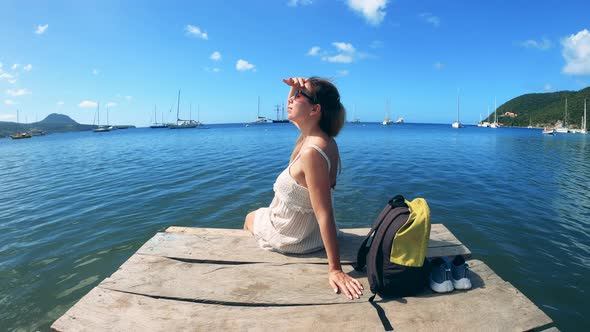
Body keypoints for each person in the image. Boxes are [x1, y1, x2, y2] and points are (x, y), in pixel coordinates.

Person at [244, 76, 363, 300]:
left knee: (250, 217)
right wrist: (295, 90)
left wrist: (335, 269)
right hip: (309, 231)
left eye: (299, 96)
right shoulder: (320, 139)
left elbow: (324, 213)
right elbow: (295, 116)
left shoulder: (311, 152)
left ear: (315, 109)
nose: (291, 99)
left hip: (295, 236)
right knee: (260, 214)